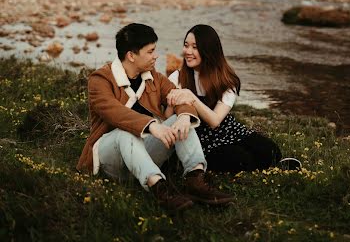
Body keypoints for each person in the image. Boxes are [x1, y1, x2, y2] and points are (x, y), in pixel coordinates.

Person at [77, 22, 234, 212]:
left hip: (144, 152)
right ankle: (160, 188)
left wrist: (184, 116)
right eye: (150, 51)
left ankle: (196, 179)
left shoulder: (155, 78)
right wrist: (152, 125)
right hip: (111, 158)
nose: (156, 56)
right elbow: (114, 112)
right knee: (124, 133)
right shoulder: (100, 79)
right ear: (131, 56)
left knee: (181, 121)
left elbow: (179, 96)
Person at [167, 24, 301, 173]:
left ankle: (270, 163)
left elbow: (215, 121)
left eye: (195, 47)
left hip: (226, 129)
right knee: (240, 160)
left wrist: (190, 97)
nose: (188, 51)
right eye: (186, 46)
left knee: (270, 150)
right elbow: (167, 116)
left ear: (209, 50)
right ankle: (259, 166)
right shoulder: (177, 78)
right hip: (198, 137)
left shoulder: (226, 80)